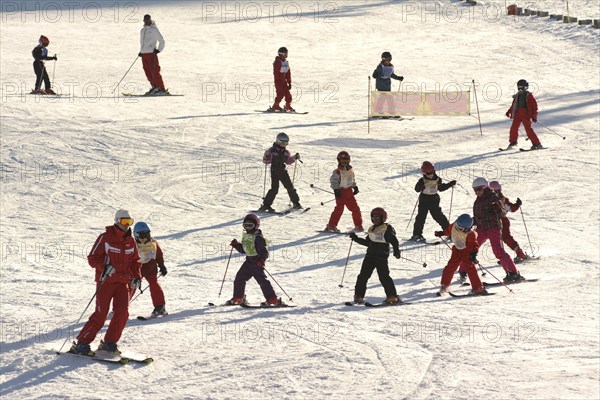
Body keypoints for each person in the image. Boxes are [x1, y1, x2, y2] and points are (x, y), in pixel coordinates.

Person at [70, 210, 142, 355]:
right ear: (116, 221)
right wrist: (105, 267)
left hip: (123, 283)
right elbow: (92, 258)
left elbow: (135, 261)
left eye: (130, 222)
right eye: (124, 221)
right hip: (106, 282)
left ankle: (109, 343)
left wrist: (136, 276)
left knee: (122, 313)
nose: (127, 225)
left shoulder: (131, 241)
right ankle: (82, 343)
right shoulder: (105, 238)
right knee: (101, 314)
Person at [471, 177, 524, 282]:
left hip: (493, 227)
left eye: (479, 189)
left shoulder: (493, 197)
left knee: (498, 250)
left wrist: (497, 209)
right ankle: (463, 271)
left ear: (485, 187)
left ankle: (513, 273)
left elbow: (501, 212)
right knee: (470, 247)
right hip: (481, 228)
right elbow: (477, 216)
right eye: (475, 190)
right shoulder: (477, 201)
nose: (477, 192)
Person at [349, 207, 402, 304]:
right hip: (370, 256)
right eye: (373, 217)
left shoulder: (387, 228)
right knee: (363, 276)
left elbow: (394, 241)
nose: (375, 219)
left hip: (381, 256)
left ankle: (392, 297)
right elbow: (368, 243)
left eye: (377, 217)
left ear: (383, 217)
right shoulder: (371, 229)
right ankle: (358, 296)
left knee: (384, 277)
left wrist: (396, 251)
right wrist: (356, 238)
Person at [228, 214, 282, 306]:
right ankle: (238, 297)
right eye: (246, 225)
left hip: (256, 263)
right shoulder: (247, 236)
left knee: (262, 281)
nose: (248, 228)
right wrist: (236, 245)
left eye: (250, 225)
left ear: (256, 226)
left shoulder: (258, 238)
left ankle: (272, 299)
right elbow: (244, 250)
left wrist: (261, 260)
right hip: (248, 262)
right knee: (239, 278)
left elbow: (264, 252)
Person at [435, 214, 487, 295]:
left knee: (471, 269)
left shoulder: (470, 234)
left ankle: (478, 288)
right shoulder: (453, 226)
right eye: (458, 227)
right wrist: (442, 233)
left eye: (462, 229)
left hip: (466, 252)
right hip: (456, 251)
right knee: (450, 267)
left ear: (468, 228)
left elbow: (474, 245)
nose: (459, 229)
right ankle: (445, 285)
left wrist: (473, 253)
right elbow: (448, 231)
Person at [410, 161, 456, 242]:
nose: (428, 174)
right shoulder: (422, 180)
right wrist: (421, 186)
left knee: (438, 216)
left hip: (434, 200)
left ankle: (449, 232)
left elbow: (441, 188)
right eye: (427, 173)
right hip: (424, 200)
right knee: (421, 217)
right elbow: (416, 189)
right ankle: (417, 234)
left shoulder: (438, 180)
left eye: (429, 172)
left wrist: (450, 184)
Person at [258, 132, 302, 213]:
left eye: (287, 143)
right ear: (278, 141)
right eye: (284, 143)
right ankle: (266, 205)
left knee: (289, 186)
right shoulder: (271, 151)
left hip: (282, 170)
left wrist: (294, 158)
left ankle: (296, 203)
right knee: (275, 189)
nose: (285, 145)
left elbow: (288, 161)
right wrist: (266, 156)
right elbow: (266, 161)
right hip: (274, 170)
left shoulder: (286, 152)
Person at [488, 181, 529, 263]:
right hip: (492, 222)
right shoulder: (487, 199)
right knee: (495, 239)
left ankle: (519, 253)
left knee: (506, 238)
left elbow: (511, 208)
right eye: (492, 191)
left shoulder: (503, 200)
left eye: (496, 191)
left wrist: (517, 205)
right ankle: (503, 257)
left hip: (502, 221)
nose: (494, 193)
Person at [134, 221, 168, 317]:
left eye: (147, 234)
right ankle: (121, 306)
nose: (145, 238)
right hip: (136, 269)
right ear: (136, 235)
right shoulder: (132, 244)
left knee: (154, 285)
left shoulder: (153, 243)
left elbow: (159, 255)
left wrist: (162, 266)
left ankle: (160, 306)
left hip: (150, 268)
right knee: (131, 286)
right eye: (142, 235)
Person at [326, 151, 363, 233]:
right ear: (339, 160)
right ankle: (331, 225)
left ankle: (358, 225)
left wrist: (354, 186)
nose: (344, 162)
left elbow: (351, 179)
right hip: (340, 192)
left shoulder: (350, 170)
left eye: (346, 160)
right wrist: (336, 189)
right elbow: (333, 181)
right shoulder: (337, 171)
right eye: (342, 161)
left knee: (355, 209)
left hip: (349, 192)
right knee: (339, 209)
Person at [505, 79, 543, 150]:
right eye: (519, 86)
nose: (520, 88)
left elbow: (535, 106)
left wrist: (534, 115)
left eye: (521, 86)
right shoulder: (517, 96)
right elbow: (514, 105)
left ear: (525, 87)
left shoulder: (529, 95)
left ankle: (537, 144)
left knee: (528, 129)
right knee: (514, 128)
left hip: (525, 114)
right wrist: (509, 111)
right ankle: (513, 142)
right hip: (517, 114)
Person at [139, 14, 167, 95]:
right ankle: (154, 87)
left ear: (150, 19)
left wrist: (158, 50)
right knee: (147, 71)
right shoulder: (142, 30)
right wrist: (141, 51)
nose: (147, 21)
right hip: (144, 54)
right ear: (143, 20)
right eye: (145, 19)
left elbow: (162, 41)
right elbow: (142, 42)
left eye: (148, 19)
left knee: (155, 71)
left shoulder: (154, 29)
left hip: (152, 53)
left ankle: (161, 88)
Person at [270, 47, 294, 112]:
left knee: (288, 95)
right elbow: (276, 73)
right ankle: (276, 106)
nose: (286, 55)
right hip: (278, 82)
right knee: (280, 94)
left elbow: (288, 73)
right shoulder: (277, 62)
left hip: (284, 82)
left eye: (287, 53)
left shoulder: (286, 62)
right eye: (285, 53)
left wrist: (289, 82)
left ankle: (287, 106)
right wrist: (279, 81)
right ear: (281, 54)